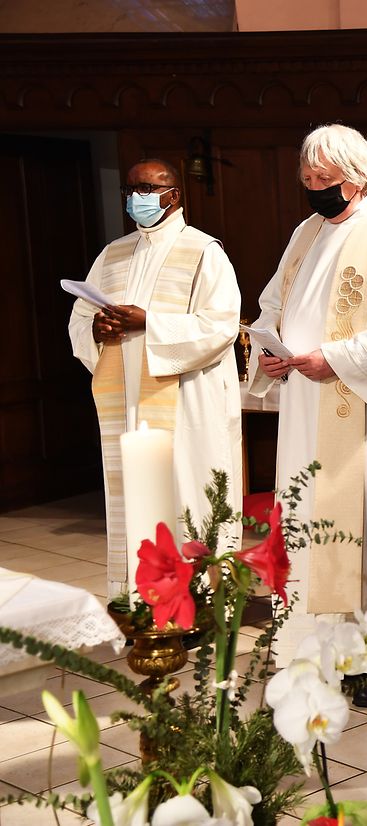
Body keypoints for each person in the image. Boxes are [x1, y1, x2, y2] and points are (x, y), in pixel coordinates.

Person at [247, 124, 367, 708]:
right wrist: (270, 349)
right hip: (308, 410)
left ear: (358, 178)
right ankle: (318, 649)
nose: (315, 190)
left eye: (325, 179)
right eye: (307, 179)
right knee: (310, 524)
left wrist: (336, 358)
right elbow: (273, 305)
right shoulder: (305, 233)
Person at [69, 159, 242, 599]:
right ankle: (141, 595)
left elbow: (221, 325)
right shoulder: (112, 254)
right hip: (128, 399)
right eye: (130, 189)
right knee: (137, 495)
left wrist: (150, 322)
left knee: (188, 490)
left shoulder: (204, 252)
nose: (136, 197)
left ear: (174, 195)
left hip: (187, 400)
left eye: (147, 188)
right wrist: (97, 329)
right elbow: (80, 317)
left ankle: (199, 598)